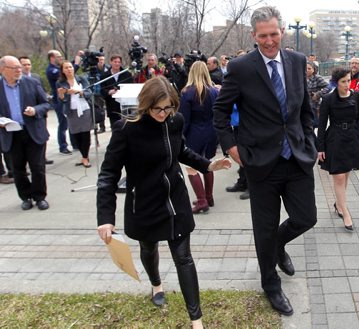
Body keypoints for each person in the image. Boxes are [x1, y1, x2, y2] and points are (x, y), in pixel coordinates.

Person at [97, 76, 230, 329]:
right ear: (145, 104)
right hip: (144, 204)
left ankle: (196, 320)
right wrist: (105, 218)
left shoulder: (175, 121)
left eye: (169, 107)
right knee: (149, 249)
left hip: (176, 201)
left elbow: (181, 152)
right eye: (158, 108)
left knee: (184, 258)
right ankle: (156, 284)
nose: (164, 113)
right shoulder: (127, 129)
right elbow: (108, 175)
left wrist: (208, 165)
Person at [213, 6, 317, 316]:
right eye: (262, 36)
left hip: (297, 158)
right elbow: (220, 112)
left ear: (282, 32)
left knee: (306, 218)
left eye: (273, 34)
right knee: (264, 227)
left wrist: (310, 141)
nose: (269, 41)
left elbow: (305, 109)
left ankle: (278, 246)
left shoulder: (298, 62)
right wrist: (232, 149)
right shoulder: (241, 67)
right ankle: (270, 284)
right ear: (253, 36)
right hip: (260, 162)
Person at [0, 55, 51, 210]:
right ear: (3, 69)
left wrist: (35, 110)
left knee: (37, 167)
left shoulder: (32, 83)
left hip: (33, 131)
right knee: (17, 170)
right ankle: (26, 197)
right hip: (11, 133)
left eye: (19, 67)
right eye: (14, 68)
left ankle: (40, 197)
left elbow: (46, 104)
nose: (18, 70)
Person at [317, 68, 359, 231]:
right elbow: (322, 124)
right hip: (334, 138)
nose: (347, 84)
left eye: (349, 80)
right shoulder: (328, 99)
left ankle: (338, 204)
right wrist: (320, 147)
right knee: (339, 178)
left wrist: (358, 134)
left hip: (351, 138)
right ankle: (345, 212)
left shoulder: (357, 96)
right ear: (336, 82)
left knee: (346, 174)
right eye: (343, 81)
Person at [179, 61, 219, 213]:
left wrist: (180, 136)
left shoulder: (187, 92)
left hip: (194, 132)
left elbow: (185, 119)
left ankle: (202, 200)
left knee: (191, 167)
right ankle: (208, 196)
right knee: (208, 164)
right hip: (211, 131)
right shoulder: (215, 91)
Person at [56, 60, 93, 168]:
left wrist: (79, 92)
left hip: (84, 109)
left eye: (70, 67)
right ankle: (83, 156)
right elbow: (61, 100)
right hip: (71, 110)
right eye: (66, 68)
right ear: (62, 70)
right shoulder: (60, 82)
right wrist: (62, 95)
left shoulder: (81, 78)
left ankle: (85, 157)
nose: (69, 69)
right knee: (76, 134)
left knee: (85, 134)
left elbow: (89, 93)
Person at [19, 55, 54, 166]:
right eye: (24, 65)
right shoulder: (17, 81)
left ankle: (42, 157)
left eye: (29, 64)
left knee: (41, 137)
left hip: (39, 113)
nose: (27, 67)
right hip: (24, 119)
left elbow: (41, 94)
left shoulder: (35, 77)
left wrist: (46, 96)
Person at [46, 50, 72, 155]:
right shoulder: (51, 70)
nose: (60, 58)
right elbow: (65, 75)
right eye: (58, 56)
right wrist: (76, 63)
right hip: (59, 101)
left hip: (69, 100)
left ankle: (75, 144)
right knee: (63, 124)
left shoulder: (57, 68)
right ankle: (63, 146)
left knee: (70, 123)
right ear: (52, 57)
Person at [100, 54, 133, 128]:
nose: (117, 64)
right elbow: (102, 90)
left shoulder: (127, 74)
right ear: (111, 62)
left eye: (119, 62)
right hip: (112, 107)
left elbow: (131, 87)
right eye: (115, 62)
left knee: (128, 128)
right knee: (116, 129)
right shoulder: (104, 76)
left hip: (126, 107)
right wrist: (109, 92)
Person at [306, 61, 330, 126]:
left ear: (314, 70)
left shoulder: (317, 78)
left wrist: (318, 94)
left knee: (312, 126)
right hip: (303, 106)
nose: (307, 70)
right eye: (305, 68)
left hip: (313, 106)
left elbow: (328, 87)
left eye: (309, 68)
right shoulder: (301, 77)